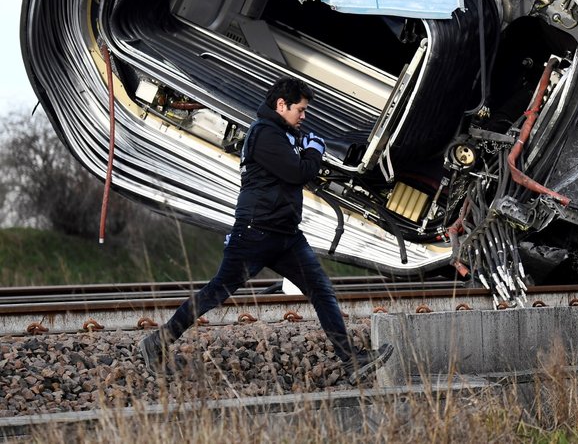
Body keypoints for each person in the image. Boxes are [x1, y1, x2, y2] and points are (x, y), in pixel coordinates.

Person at [139, 77, 393, 385]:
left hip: (285, 235)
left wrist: (307, 151)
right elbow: (299, 173)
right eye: (300, 110)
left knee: (320, 289)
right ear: (281, 105)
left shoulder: (283, 135)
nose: (304, 116)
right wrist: (314, 150)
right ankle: (158, 341)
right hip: (255, 232)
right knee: (217, 291)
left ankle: (351, 359)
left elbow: (297, 173)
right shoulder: (265, 134)